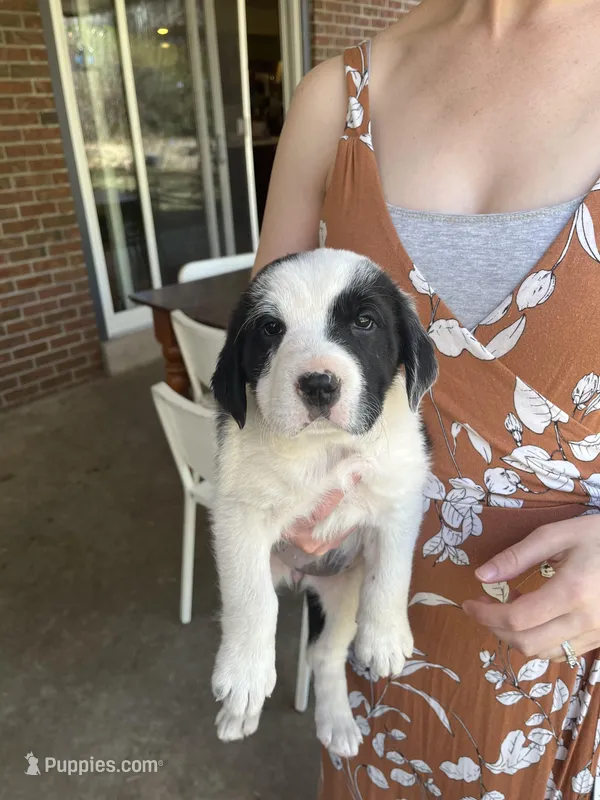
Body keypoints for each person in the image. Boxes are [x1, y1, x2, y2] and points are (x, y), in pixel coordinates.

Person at [252, 0, 600, 797]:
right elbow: (261, 375)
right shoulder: (336, 100)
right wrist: (285, 511)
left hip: (573, 674)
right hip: (382, 662)